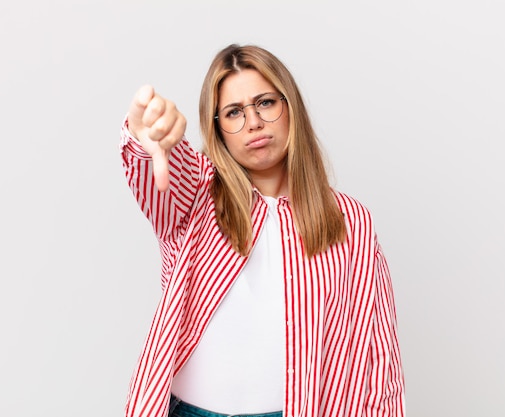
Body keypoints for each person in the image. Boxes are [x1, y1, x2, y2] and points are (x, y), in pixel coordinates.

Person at [119, 44, 405, 417]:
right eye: (233, 112)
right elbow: (159, 169)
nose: (252, 123)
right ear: (217, 127)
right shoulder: (196, 198)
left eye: (266, 103)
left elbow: (379, 355)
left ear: (290, 108)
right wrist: (146, 136)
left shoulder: (350, 221)